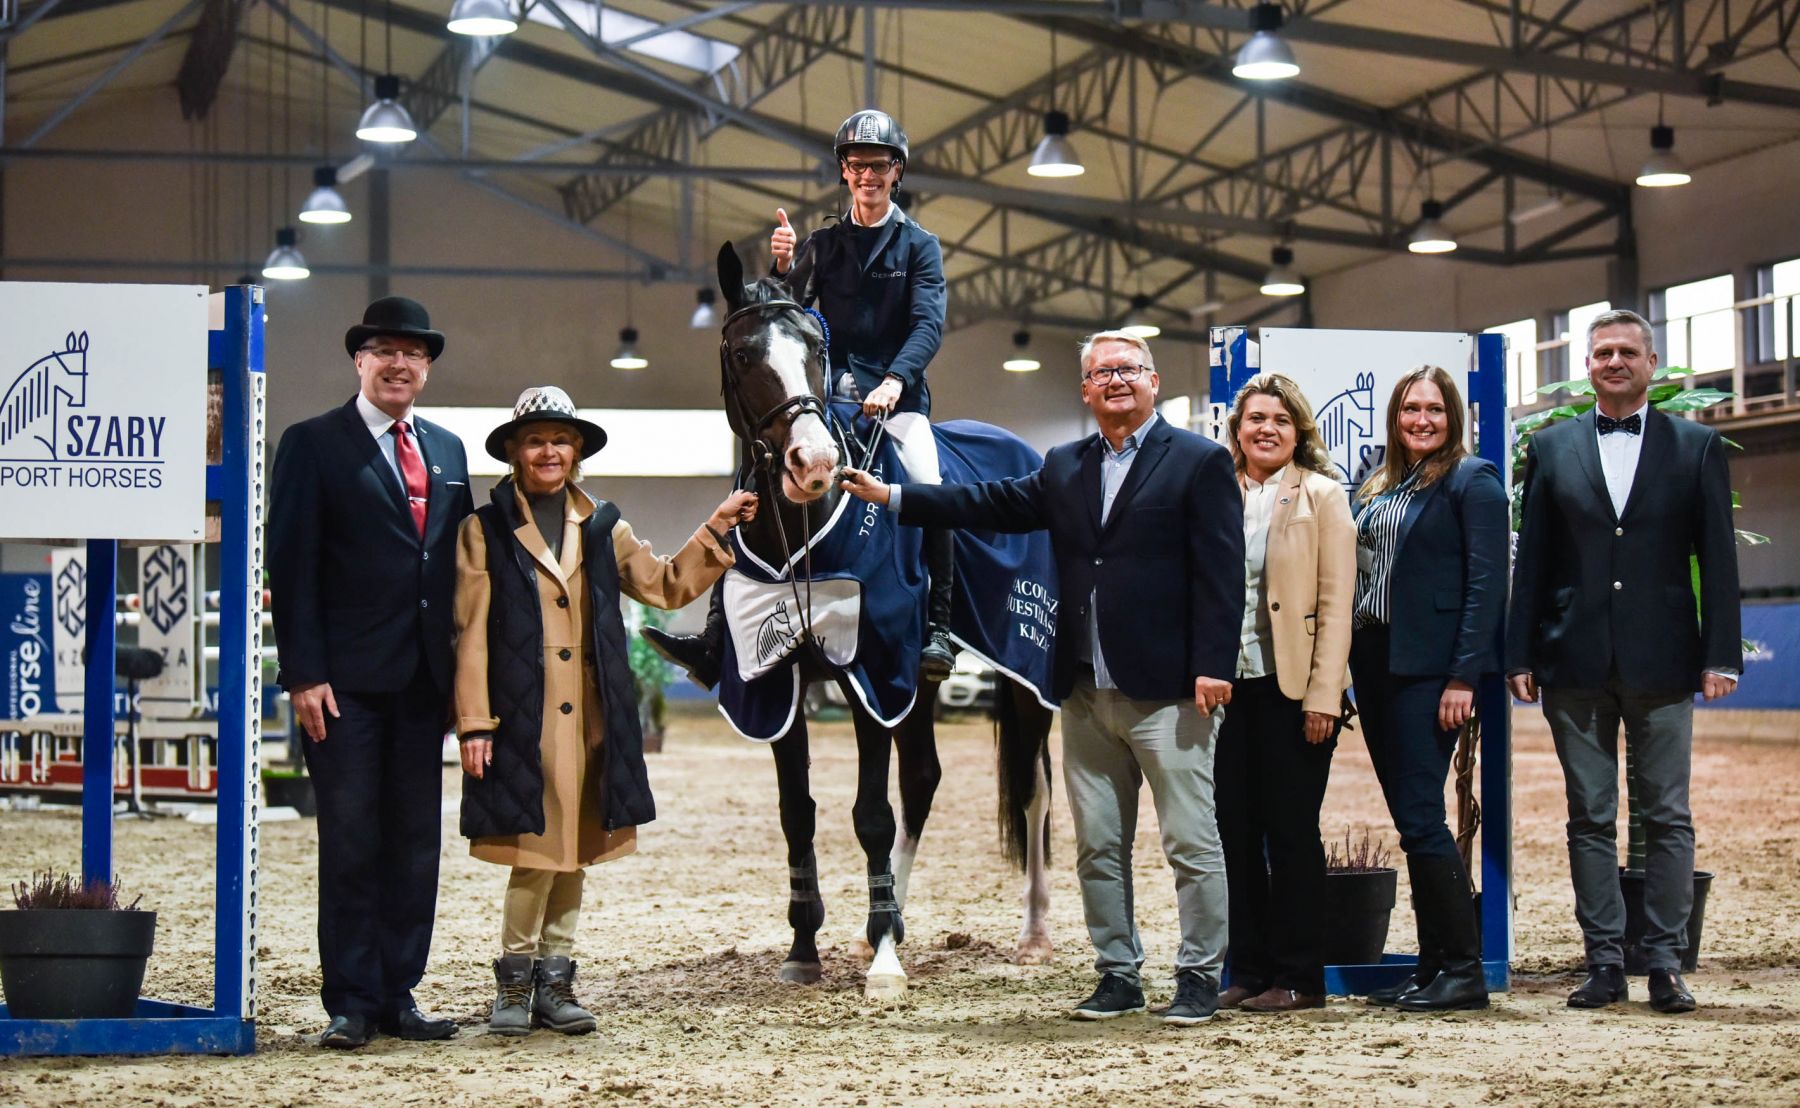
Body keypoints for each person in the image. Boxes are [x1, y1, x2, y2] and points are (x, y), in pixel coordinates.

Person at [839, 331, 1243, 1026]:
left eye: (1129, 369)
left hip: (1171, 689)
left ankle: (1199, 976)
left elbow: (1222, 572)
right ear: (1086, 390)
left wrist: (1213, 664)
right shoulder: (1065, 465)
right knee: (1099, 848)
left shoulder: (1200, 461)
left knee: (1190, 843)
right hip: (1084, 690)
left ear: (1152, 381)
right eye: (1101, 373)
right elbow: (986, 503)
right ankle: (1117, 973)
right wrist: (895, 496)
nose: (1115, 380)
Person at [453, 386, 756, 1037]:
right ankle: (513, 985)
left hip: (592, 718)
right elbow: (471, 632)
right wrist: (475, 722)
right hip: (523, 716)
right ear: (514, 452)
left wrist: (716, 527)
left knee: (576, 850)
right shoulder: (483, 530)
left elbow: (665, 584)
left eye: (561, 441)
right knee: (534, 852)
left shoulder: (603, 527)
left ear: (576, 452)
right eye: (536, 441)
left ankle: (555, 985)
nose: (549, 452)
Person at [647, 107, 956, 685]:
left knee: (928, 482)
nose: (867, 175)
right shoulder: (824, 243)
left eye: (879, 165)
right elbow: (782, 312)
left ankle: (940, 624)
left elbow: (927, 324)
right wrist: (784, 264)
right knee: (752, 478)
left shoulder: (920, 247)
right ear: (844, 171)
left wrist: (895, 379)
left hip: (896, 399)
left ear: (897, 172)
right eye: (857, 165)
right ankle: (714, 634)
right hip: (827, 399)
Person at [1507, 308, 1740, 1015]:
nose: (1614, 362)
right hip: (1572, 661)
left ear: (1650, 363)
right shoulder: (1550, 448)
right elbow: (1534, 560)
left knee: (1667, 815)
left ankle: (1665, 962)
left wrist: (1721, 654)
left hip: (1664, 661)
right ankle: (1604, 962)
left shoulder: (1697, 445)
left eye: (1627, 352)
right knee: (1589, 816)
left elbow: (1718, 559)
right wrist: (1519, 651)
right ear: (1587, 366)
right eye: (1602, 352)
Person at [268, 296, 474, 1049]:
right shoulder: (313, 443)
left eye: (413, 354)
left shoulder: (449, 451)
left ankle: (398, 993)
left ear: (427, 369)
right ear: (359, 360)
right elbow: (291, 564)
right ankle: (351, 1000)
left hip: (423, 683)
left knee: (415, 844)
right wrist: (304, 673)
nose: (399, 364)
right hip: (343, 685)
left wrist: (462, 679)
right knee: (352, 840)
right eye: (385, 350)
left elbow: (458, 567)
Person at [1348, 365, 1506, 1013]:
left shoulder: (1472, 479)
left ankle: (1464, 969)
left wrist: (1463, 676)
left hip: (1431, 669)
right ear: (1395, 417)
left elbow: (1486, 585)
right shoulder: (1380, 483)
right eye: (1411, 409)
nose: (1421, 419)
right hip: (1375, 661)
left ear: (1453, 418)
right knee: (1411, 821)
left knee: (1420, 817)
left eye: (1434, 409)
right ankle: (1434, 964)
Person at [1215, 374, 1355, 1013]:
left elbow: (1337, 603)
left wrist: (1324, 695)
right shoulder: (1216, 490)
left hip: (1294, 691)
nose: (1266, 429)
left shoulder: (1323, 495)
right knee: (1234, 834)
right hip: (1226, 689)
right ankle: (1246, 971)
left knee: (1292, 833)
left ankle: (1300, 977)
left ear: (1299, 431)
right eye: (1255, 418)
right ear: (1237, 429)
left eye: (1279, 419)